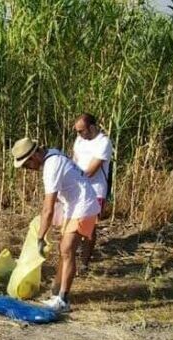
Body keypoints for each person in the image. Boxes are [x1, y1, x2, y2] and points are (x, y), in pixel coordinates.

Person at [11, 137, 100, 312]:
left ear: (34, 156)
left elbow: (48, 208)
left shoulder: (51, 166)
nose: (28, 169)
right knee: (64, 250)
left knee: (67, 250)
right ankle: (57, 292)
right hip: (73, 206)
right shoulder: (52, 154)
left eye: (26, 165)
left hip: (83, 207)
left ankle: (63, 300)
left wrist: (40, 236)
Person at [71, 113, 112, 274]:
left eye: (81, 131)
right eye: (77, 131)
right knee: (75, 224)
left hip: (95, 190)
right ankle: (72, 257)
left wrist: (70, 177)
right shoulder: (80, 140)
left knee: (89, 228)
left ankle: (84, 263)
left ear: (92, 128)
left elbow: (91, 171)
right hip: (78, 188)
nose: (79, 134)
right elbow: (74, 160)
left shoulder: (104, 143)